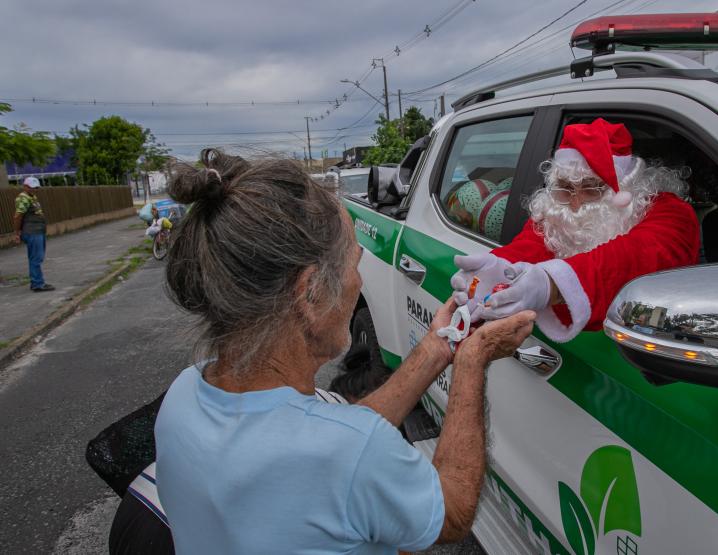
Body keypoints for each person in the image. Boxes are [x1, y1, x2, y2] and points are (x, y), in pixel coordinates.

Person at [152, 149, 536, 554]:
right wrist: (473, 361)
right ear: (312, 292)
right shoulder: (346, 452)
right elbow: (453, 510)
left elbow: (334, 441)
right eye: (354, 263)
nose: (357, 282)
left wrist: (438, 347)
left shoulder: (184, 394)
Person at [451, 119, 700, 342]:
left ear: (625, 188)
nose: (576, 203)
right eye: (565, 187)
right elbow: (530, 247)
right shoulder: (553, 211)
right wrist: (499, 270)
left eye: (591, 188)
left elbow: (634, 256)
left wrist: (552, 284)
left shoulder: (671, 213)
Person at [13, 176, 54, 292]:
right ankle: (37, 283)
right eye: (31, 187)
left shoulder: (32, 197)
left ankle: (37, 282)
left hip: (37, 231)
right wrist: (17, 232)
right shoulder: (23, 198)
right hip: (32, 232)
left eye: (36, 188)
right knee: (36, 258)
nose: (34, 190)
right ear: (25, 186)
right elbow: (18, 216)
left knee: (37, 257)